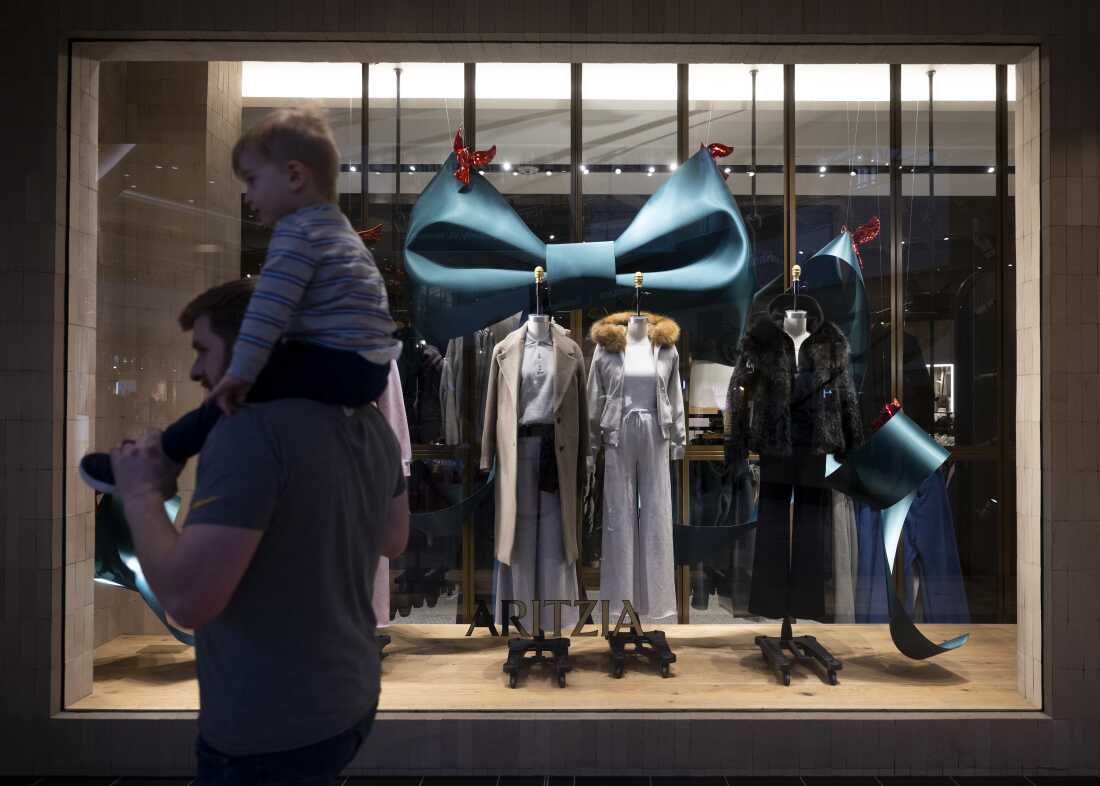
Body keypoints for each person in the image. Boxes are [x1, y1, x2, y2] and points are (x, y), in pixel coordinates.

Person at [110, 278, 409, 784]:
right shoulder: (365, 419)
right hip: (349, 699)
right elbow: (394, 538)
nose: (195, 369)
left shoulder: (247, 431)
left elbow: (188, 601)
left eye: (204, 349)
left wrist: (139, 493)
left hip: (268, 724)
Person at [80, 108, 401, 493]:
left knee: (224, 401)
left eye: (252, 180)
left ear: (295, 176)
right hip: (368, 372)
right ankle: (169, 454)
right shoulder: (341, 234)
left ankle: (161, 456)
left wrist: (240, 373)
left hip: (335, 365)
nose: (248, 196)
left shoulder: (298, 233)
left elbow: (267, 310)